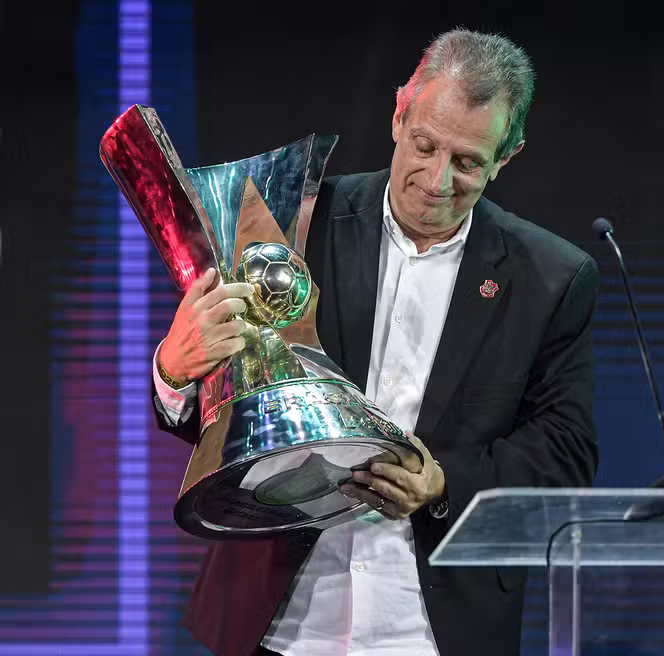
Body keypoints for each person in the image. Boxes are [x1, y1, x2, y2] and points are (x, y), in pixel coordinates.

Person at [152, 29, 599, 656]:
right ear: (398, 115)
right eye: (425, 146)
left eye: (468, 162)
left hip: (431, 629)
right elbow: (227, 414)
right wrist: (175, 371)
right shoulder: (292, 224)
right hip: (276, 624)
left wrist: (442, 484)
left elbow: (565, 451)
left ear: (507, 156)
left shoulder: (550, 277)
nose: (437, 180)